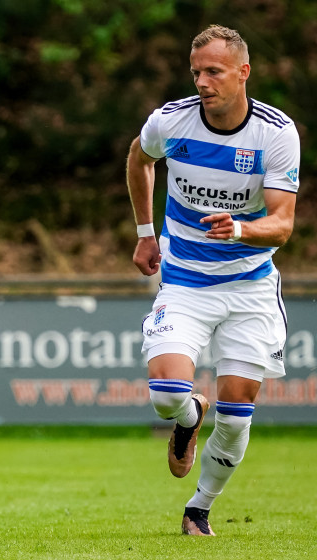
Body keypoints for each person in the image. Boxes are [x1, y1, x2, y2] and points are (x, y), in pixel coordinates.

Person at [126, 25, 299, 536]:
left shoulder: (275, 133)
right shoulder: (170, 122)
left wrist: (242, 229)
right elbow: (139, 158)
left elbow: (283, 225)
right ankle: (188, 415)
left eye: (214, 72)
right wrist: (144, 232)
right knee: (166, 392)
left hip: (250, 288)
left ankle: (199, 506)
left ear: (243, 73)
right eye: (196, 72)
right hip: (184, 280)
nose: (202, 81)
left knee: (238, 415)